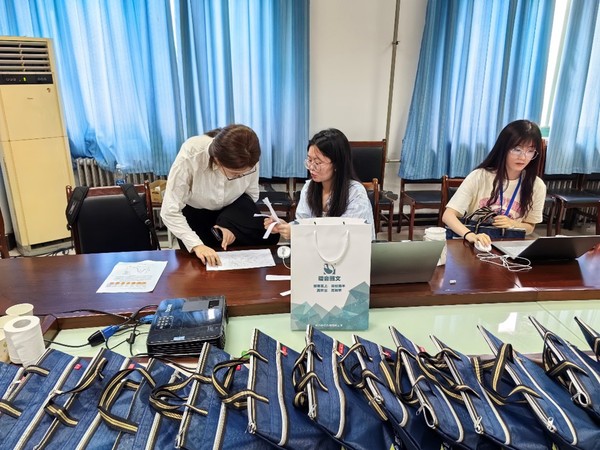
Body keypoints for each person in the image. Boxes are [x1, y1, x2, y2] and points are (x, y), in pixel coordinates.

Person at [161, 124, 278, 266]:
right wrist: (197, 245)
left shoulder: (249, 156)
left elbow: (250, 196)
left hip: (232, 211)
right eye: (235, 174)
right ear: (217, 160)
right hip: (196, 215)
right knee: (200, 266)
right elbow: (169, 211)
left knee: (244, 260)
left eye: (245, 172)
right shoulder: (191, 155)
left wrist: (232, 225)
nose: (241, 176)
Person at [442, 119, 547, 248]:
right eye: (517, 149)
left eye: (530, 151)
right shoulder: (479, 176)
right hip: (476, 244)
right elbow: (448, 216)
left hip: (509, 247)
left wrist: (512, 223)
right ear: (503, 148)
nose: (523, 157)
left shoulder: (537, 186)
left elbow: (530, 227)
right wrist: (471, 235)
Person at [264, 128, 376, 240]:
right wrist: (286, 226)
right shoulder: (309, 188)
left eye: (318, 162)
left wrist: (298, 233)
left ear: (337, 164)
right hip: (315, 249)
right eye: (309, 160)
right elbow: (303, 223)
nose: (311, 167)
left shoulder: (355, 193)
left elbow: (346, 236)